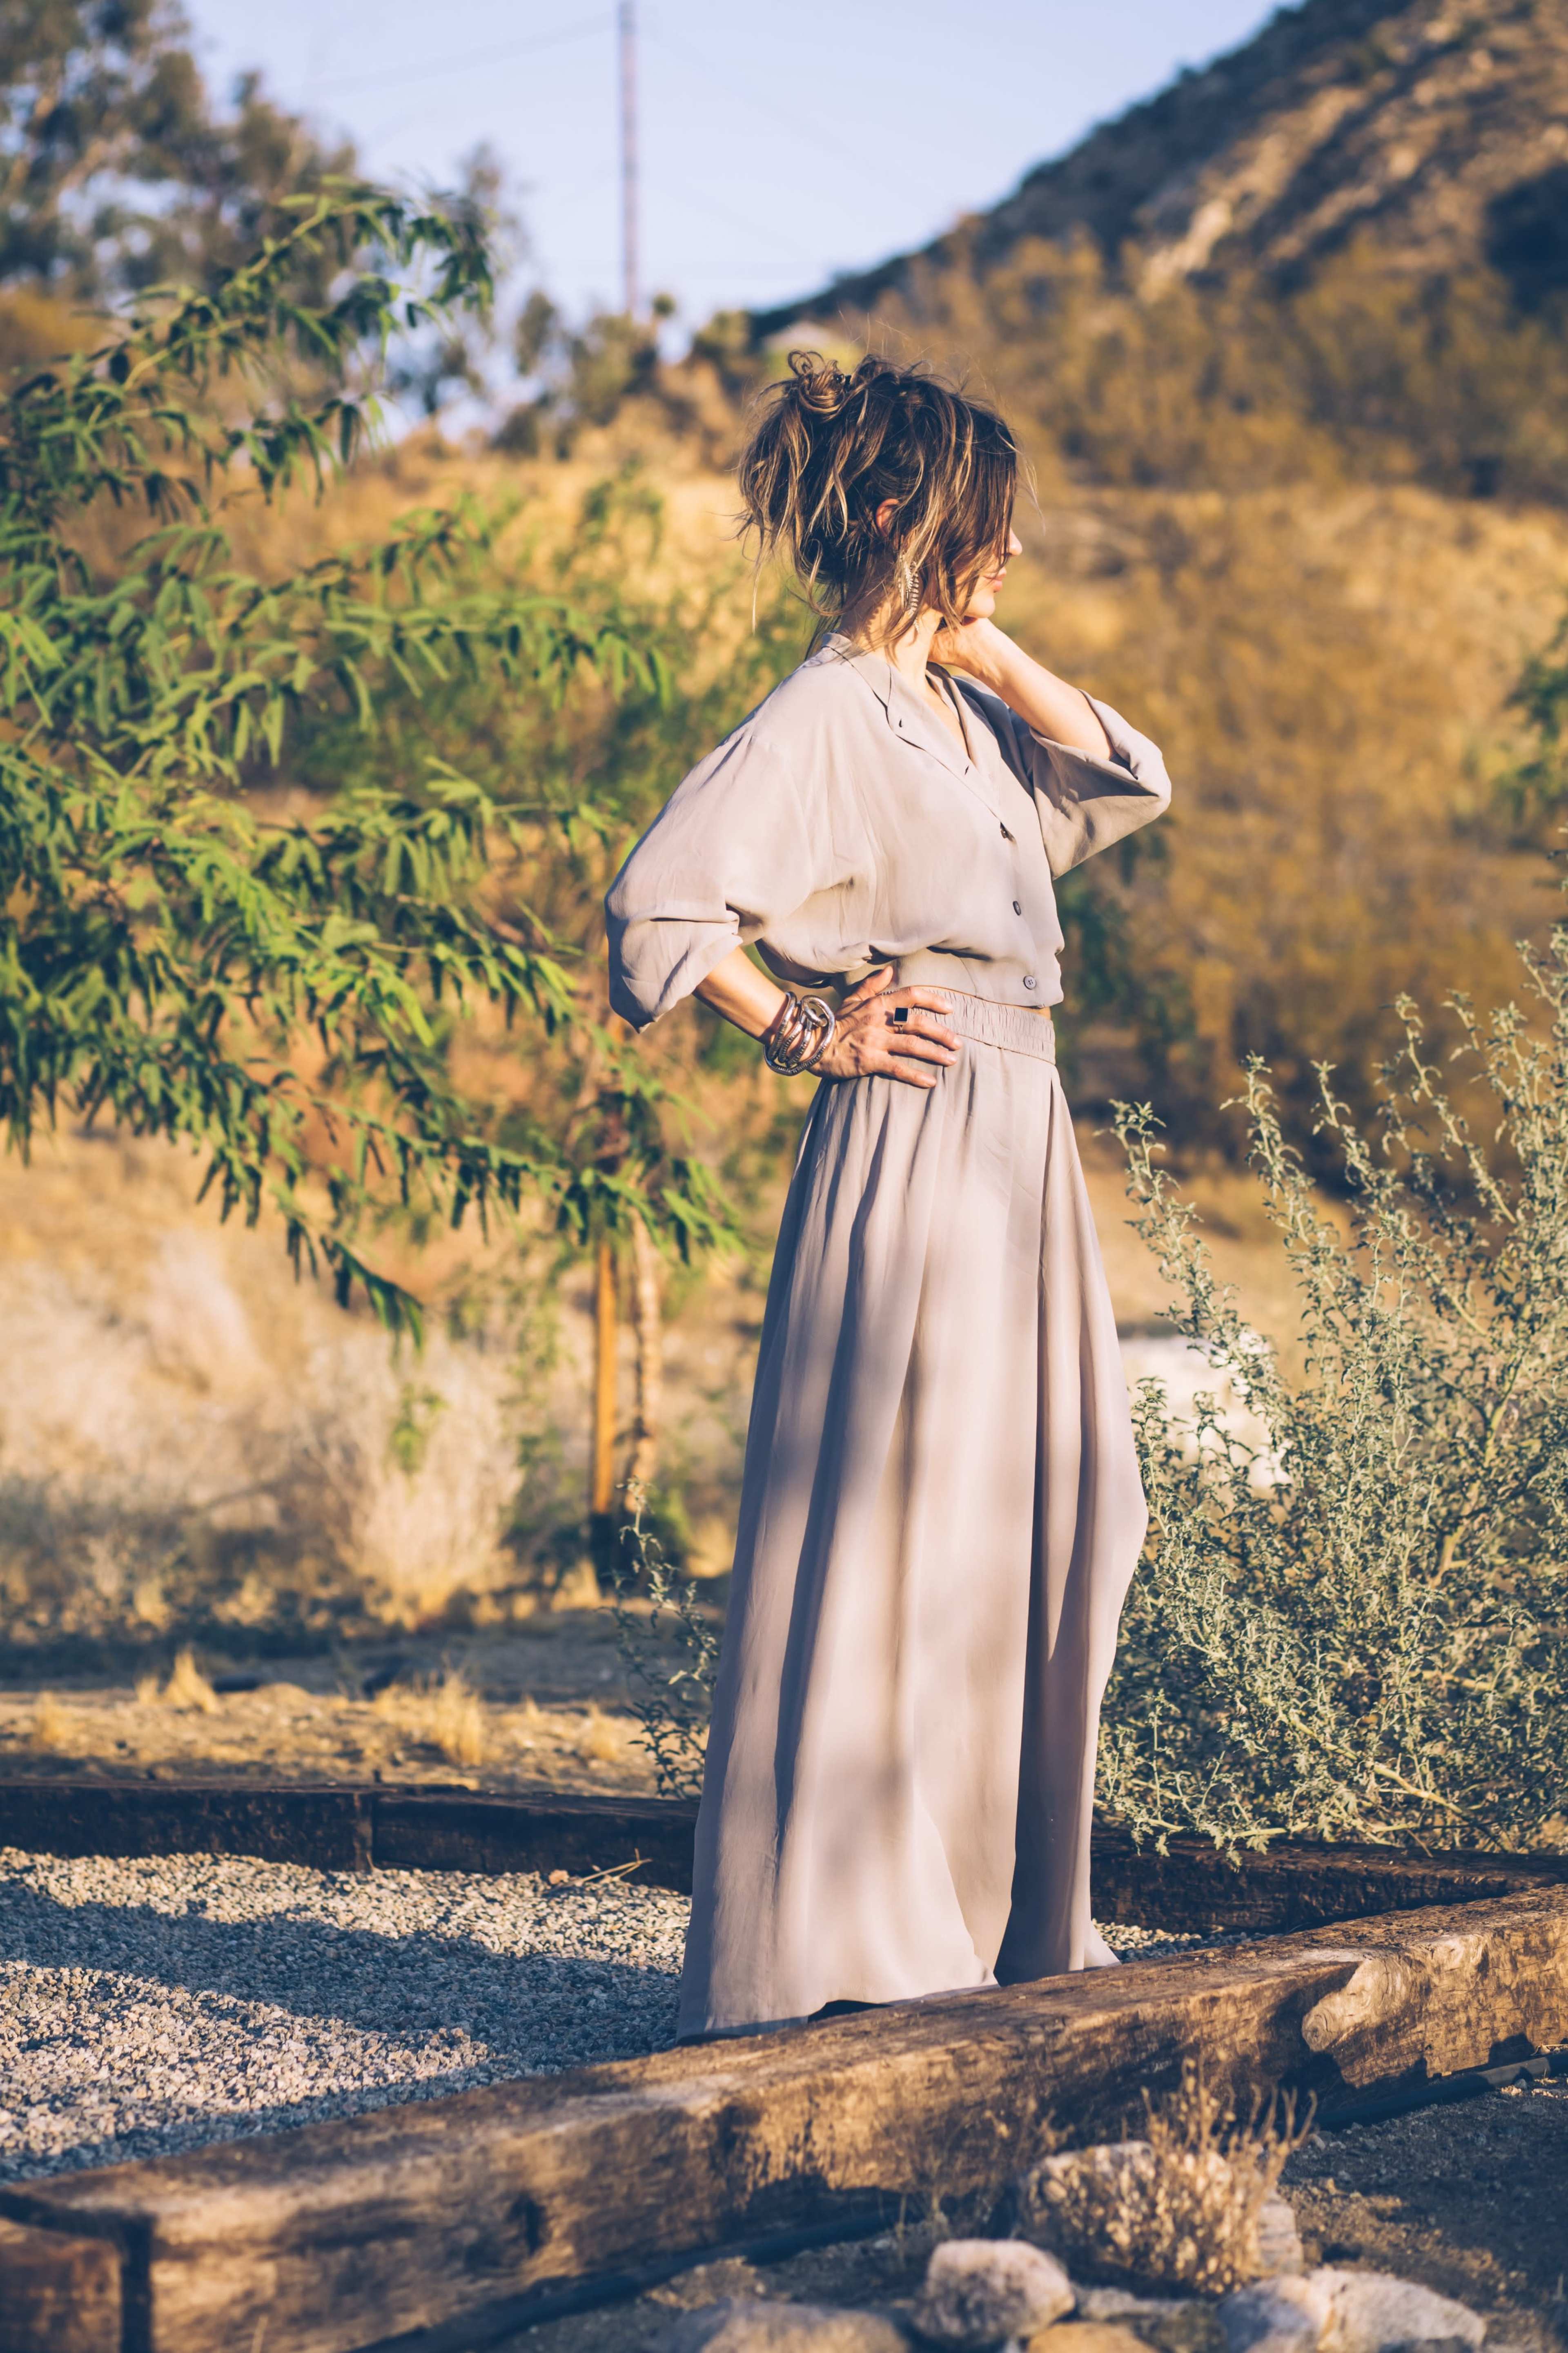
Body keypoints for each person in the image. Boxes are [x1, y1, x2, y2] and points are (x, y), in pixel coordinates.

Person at [605, 351, 1172, 2041]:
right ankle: (845, 1950)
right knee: (897, 1532)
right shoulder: (828, 712)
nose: (1009, 549)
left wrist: (980, 636)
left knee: (1055, 1514)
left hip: (1025, 1139)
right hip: (914, 1138)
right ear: (899, 516)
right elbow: (659, 905)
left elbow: (1130, 780)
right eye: (984, 527)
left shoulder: (959, 708)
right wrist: (797, 1021)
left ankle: (1000, 1922)